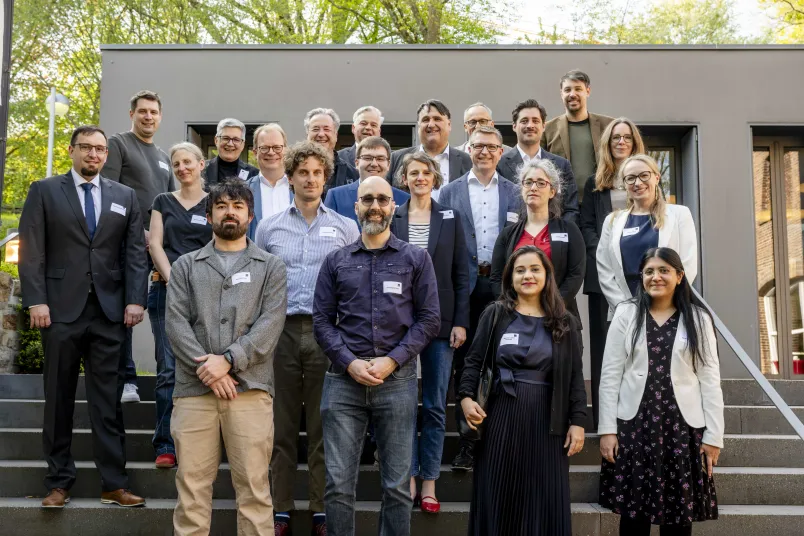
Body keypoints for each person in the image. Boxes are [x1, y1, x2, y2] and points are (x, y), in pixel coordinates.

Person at [19, 125, 148, 508]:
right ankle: (58, 483)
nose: (94, 154)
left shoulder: (124, 195)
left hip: (109, 313)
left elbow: (134, 254)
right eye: (87, 148)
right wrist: (35, 301)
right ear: (72, 150)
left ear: (107, 155)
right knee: (58, 399)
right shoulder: (44, 191)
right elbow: (32, 249)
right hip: (59, 311)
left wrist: (135, 299)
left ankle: (114, 483)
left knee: (107, 402)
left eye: (101, 149)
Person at [313, 176, 441, 536]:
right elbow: (321, 321)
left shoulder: (416, 259)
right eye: (367, 199)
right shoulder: (335, 261)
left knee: (397, 487)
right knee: (338, 486)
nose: (375, 206)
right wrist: (349, 362)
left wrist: (392, 360)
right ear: (356, 207)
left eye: (383, 199)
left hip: (396, 383)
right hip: (343, 383)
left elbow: (429, 319)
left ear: (393, 207)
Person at [166, 180, 287, 536]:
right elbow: (175, 323)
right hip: (193, 392)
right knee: (191, 493)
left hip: (249, 391)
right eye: (221, 206)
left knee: (254, 491)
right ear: (209, 215)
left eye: (237, 206)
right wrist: (211, 369)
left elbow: (270, 324)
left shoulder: (271, 267)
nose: (229, 212)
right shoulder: (186, 265)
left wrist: (229, 360)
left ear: (250, 215)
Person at [255, 141, 360, 536]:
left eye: (317, 173)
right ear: (291, 177)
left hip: (326, 334)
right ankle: (280, 509)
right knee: (280, 428)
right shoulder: (269, 227)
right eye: (303, 173)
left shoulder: (345, 227)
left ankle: (320, 510)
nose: (311, 179)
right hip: (280, 332)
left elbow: (352, 283)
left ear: (326, 177)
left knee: (322, 427)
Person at [459, 246, 586, 536]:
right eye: (520, 270)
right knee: (499, 495)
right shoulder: (494, 314)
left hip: (547, 421)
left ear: (547, 276)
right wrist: (466, 399)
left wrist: (578, 421)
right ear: (510, 277)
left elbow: (575, 378)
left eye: (534, 269)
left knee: (543, 498)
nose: (527, 275)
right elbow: (472, 363)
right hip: (500, 418)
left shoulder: (565, 322)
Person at [598, 247, 723, 536]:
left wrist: (714, 435)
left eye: (664, 270)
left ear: (680, 276)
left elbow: (710, 378)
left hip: (682, 429)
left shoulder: (698, 318)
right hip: (635, 426)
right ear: (641, 276)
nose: (656, 277)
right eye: (649, 271)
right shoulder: (626, 313)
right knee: (633, 517)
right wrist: (607, 430)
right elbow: (610, 375)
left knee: (679, 519)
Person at [390, 152, 471, 514]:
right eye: (413, 173)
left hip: (441, 321)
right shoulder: (395, 215)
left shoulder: (450, 217)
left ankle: (428, 483)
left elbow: (462, 272)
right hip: (401, 322)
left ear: (435, 177)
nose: (420, 178)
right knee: (403, 405)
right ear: (404, 179)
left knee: (435, 404)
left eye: (426, 172)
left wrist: (461, 321)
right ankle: (405, 478)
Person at [438, 124, 522, 471]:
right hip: (465, 289)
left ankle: (502, 440)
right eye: (478, 146)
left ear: (501, 152)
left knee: (506, 362)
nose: (484, 152)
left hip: (504, 288)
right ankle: (468, 444)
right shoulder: (449, 192)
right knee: (466, 365)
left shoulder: (517, 193)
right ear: (468, 149)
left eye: (491, 146)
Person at [104, 89, 174, 404]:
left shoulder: (162, 156)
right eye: (142, 111)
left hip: (158, 247)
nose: (148, 116)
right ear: (132, 114)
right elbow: (108, 194)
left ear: (160, 117)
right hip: (127, 245)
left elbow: (170, 205)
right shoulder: (118, 145)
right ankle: (126, 380)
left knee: (168, 306)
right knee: (127, 310)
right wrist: (140, 232)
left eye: (153, 112)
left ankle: (172, 375)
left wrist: (160, 238)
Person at [146, 142, 212, 469]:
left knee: (202, 367)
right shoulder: (162, 201)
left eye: (188, 161)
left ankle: (199, 443)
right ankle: (165, 444)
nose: (182, 168)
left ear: (202, 164)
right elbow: (155, 243)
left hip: (207, 294)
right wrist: (174, 278)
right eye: (176, 163)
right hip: (166, 290)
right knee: (169, 369)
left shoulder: (214, 201)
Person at [580, 117, 646, 428]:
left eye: (627, 138)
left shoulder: (645, 180)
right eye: (615, 138)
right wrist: (608, 251)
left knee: (641, 344)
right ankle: (603, 420)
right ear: (607, 144)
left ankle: (637, 414)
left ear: (634, 143)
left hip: (641, 273)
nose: (621, 142)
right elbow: (588, 227)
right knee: (605, 346)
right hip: (604, 276)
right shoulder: (594, 183)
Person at [596, 154, 698, 320]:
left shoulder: (680, 214)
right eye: (630, 178)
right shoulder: (612, 221)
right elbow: (604, 269)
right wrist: (623, 307)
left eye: (644, 175)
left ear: (656, 177)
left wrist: (664, 303)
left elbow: (687, 263)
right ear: (624, 184)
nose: (637, 183)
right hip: (625, 314)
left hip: (669, 310)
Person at [490, 159, 585, 324]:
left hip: (559, 317)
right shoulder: (508, 234)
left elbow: (575, 274)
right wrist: (514, 307)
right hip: (515, 318)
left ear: (552, 191)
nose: (533, 187)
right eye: (529, 182)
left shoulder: (569, 230)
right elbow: (497, 276)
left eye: (541, 183)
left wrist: (554, 306)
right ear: (522, 189)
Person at [496, 99, 580, 225]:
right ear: (514, 126)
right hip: (513, 238)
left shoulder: (562, 165)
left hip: (551, 239)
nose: (530, 125)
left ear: (543, 126)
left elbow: (571, 209)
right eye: (524, 121)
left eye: (535, 121)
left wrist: (557, 232)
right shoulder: (499, 164)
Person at [542, 70, 614, 202]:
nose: (572, 94)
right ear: (561, 94)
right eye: (567, 90)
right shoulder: (547, 129)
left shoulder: (609, 126)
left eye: (578, 89)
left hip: (599, 201)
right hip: (563, 205)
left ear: (588, 91)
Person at [389, 99, 472, 201]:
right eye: (425, 120)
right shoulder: (397, 159)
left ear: (449, 125)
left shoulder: (468, 162)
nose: (431, 124)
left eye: (437, 119)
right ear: (418, 126)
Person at [324, 136, 409, 224]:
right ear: (357, 163)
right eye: (367, 158)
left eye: (380, 159)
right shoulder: (336, 197)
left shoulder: (404, 200)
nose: (374, 164)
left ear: (388, 164)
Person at [246, 123, 291, 239]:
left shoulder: (300, 188)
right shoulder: (243, 191)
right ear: (255, 152)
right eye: (264, 148)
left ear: (285, 150)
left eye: (277, 147)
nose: (271, 152)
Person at [304, 107, 359, 190]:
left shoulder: (352, 174)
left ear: (336, 135)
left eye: (327, 129)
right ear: (307, 134)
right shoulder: (294, 171)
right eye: (316, 129)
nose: (321, 134)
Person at [203, 118, 259, 187]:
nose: (230, 144)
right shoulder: (201, 169)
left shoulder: (254, 174)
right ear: (216, 140)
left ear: (243, 144)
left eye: (236, 139)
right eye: (226, 138)